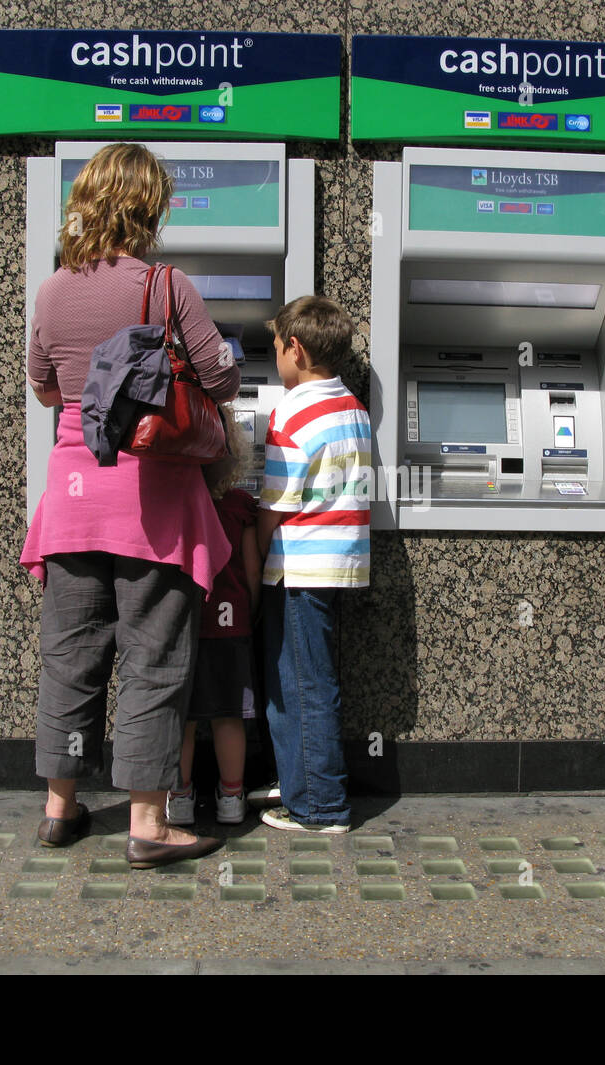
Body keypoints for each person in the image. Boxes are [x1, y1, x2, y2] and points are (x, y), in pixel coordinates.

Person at [20, 142, 239, 868]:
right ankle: (148, 822)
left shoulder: (52, 288)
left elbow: (45, 387)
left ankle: (60, 807)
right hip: (152, 504)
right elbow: (221, 376)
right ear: (149, 206)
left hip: (74, 499)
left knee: (70, 657)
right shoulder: (165, 285)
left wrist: (92, 392)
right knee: (153, 658)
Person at [256, 296, 370, 833]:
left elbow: (275, 503)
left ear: (295, 349)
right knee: (308, 678)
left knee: (301, 684)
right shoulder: (351, 405)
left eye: (275, 348)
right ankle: (302, 778)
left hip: (298, 567)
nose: (273, 358)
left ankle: (320, 806)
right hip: (337, 561)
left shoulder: (292, 410)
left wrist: (254, 557)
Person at [166, 411, 261, 825]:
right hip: (231, 626)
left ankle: (181, 798)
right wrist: (249, 614)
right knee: (229, 716)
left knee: (182, 718)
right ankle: (231, 798)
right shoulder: (241, 506)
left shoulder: (173, 504)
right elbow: (253, 570)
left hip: (184, 624)